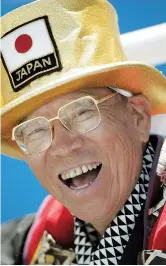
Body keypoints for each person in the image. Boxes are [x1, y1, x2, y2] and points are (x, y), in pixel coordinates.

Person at [1, 0, 166, 264]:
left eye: (81, 112)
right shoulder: (25, 247)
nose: (63, 145)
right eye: (34, 130)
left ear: (138, 117)